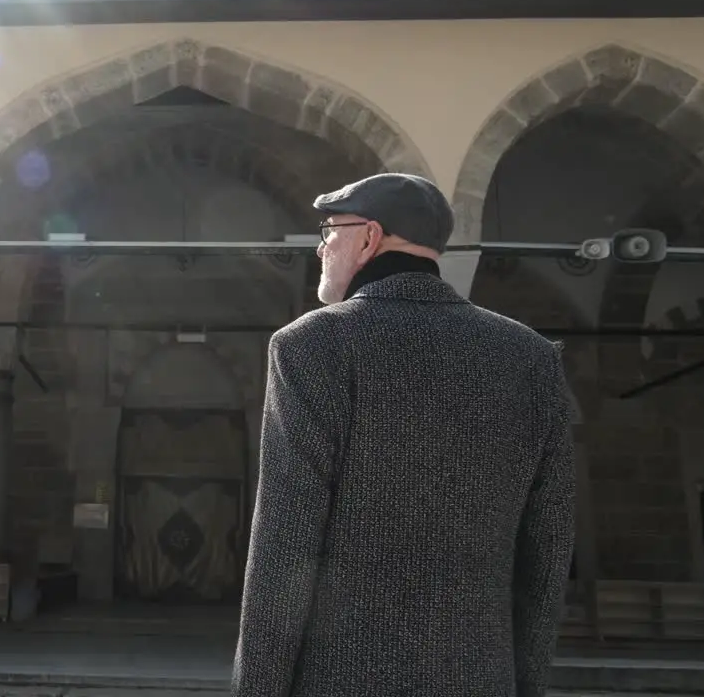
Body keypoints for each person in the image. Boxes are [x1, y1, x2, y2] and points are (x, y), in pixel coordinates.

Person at [232, 173, 576, 697]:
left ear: (369, 236)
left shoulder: (313, 345)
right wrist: (521, 684)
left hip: (339, 680)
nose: (322, 246)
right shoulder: (529, 356)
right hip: (479, 678)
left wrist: (258, 689)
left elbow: (285, 541)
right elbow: (548, 547)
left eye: (329, 229)